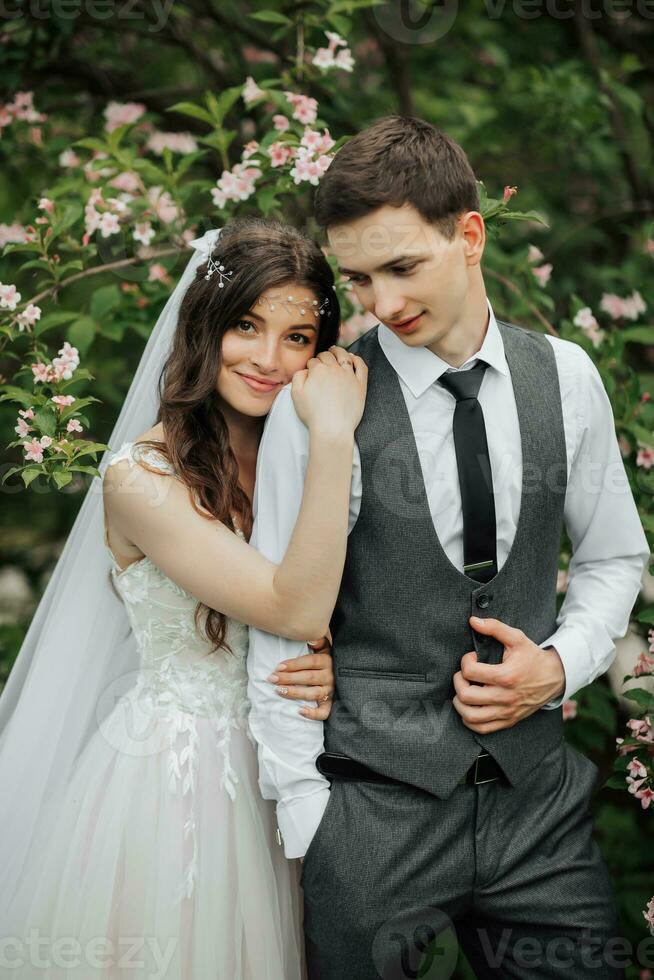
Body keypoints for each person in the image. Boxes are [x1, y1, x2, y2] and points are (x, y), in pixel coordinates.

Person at [246, 117, 651, 979]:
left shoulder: (567, 377)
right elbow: (279, 622)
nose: (382, 305)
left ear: (468, 235)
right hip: (371, 814)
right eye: (358, 279)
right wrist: (312, 821)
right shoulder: (320, 406)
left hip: (538, 813)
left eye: (402, 267)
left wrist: (559, 665)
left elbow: (615, 557)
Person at [0, 216, 367, 979]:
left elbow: (326, 616)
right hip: (177, 782)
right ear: (205, 328)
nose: (269, 359)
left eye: (297, 338)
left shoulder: (291, 453)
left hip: (290, 777)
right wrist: (335, 436)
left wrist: (333, 661)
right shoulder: (142, 477)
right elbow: (291, 606)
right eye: (246, 326)